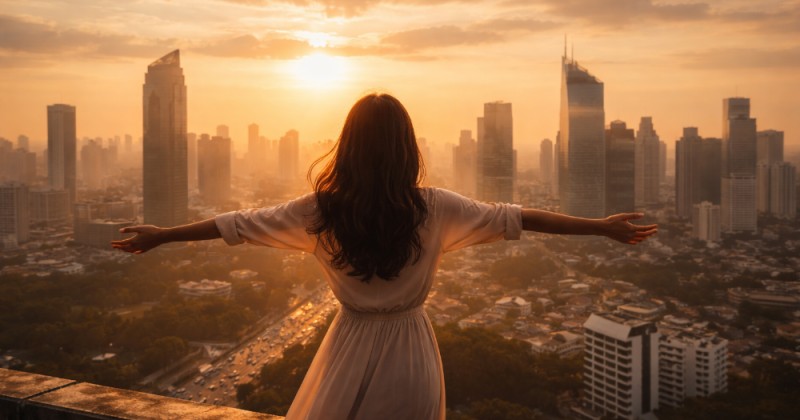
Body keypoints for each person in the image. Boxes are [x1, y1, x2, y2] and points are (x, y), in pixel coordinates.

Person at [112, 93, 657, 420]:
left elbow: (232, 226)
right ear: (407, 147)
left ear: (347, 145)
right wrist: (601, 229)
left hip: (345, 345)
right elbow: (523, 218)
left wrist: (162, 235)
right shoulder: (435, 207)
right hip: (411, 350)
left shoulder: (318, 211)